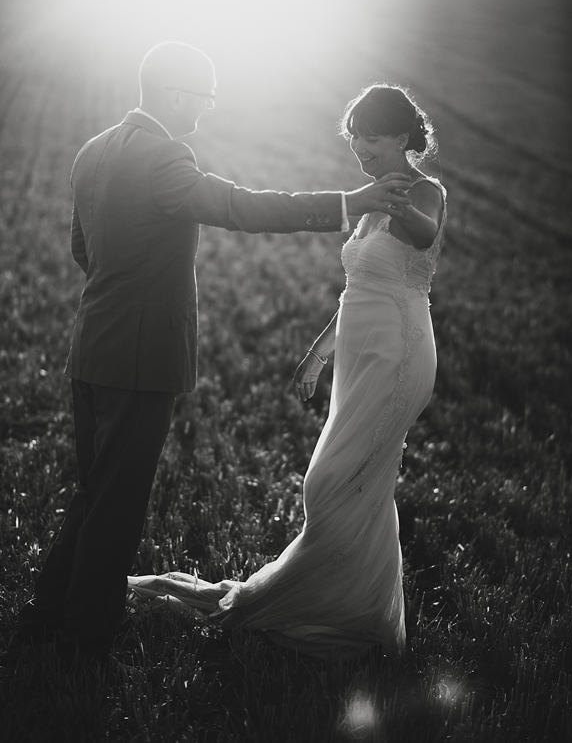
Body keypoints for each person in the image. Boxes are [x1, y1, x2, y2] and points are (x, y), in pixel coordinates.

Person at [6, 45, 410, 666]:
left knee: (93, 490)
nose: (207, 110)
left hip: (91, 347)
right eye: (205, 97)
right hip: (141, 360)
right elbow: (240, 207)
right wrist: (348, 203)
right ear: (174, 95)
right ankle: (87, 638)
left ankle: (45, 615)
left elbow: (81, 249)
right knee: (117, 503)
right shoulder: (166, 156)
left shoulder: (95, 149)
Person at [128, 82, 447, 661]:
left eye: (371, 139)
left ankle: (340, 613)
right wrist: (319, 353)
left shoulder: (424, 193)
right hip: (359, 352)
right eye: (355, 141)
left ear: (401, 137)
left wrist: (388, 197)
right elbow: (360, 288)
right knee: (357, 486)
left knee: (331, 482)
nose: (361, 151)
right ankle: (359, 611)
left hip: (399, 354)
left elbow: (423, 234)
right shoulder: (376, 197)